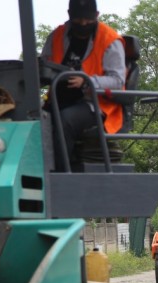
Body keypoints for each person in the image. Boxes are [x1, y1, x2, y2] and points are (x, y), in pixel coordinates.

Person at [41, 0, 126, 165]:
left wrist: (86, 81)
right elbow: (44, 65)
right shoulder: (57, 36)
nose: (83, 24)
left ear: (96, 16)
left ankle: (59, 174)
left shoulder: (110, 40)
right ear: (69, 15)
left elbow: (117, 81)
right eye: (78, 20)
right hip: (58, 99)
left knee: (64, 120)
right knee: (34, 118)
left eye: (88, 20)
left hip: (94, 105)